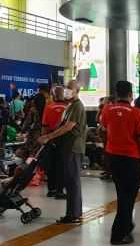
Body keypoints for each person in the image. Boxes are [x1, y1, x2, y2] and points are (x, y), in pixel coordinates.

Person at [100, 81, 140, 245]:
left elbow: (103, 132)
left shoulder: (107, 110)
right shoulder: (137, 113)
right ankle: (118, 234)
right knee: (128, 197)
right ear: (131, 95)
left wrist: (107, 151)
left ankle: (128, 226)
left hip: (113, 158)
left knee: (122, 193)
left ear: (116, 94)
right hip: (131, 160)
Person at [38, 80, 87, 224]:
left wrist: (48, 136)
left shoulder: (77, 106)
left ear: (77, 90)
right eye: (66, 88)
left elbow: (68, 127)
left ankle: (74, 215)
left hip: (73, 148)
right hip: (66, 147)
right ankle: (73, 213)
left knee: (72, 181)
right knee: (69, 181)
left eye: (70, 88)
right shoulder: (70, 106)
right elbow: (62, 125)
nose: (66, 90)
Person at [42, 86, 68, 198]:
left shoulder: (49, 107)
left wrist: (45, 138)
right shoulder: (68, 107)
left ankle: (51, 189)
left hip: (50, 138)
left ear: (54, 95)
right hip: (65, 139)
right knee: (62, 165)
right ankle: (60, 190)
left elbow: (44, 125)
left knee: (51, 165)